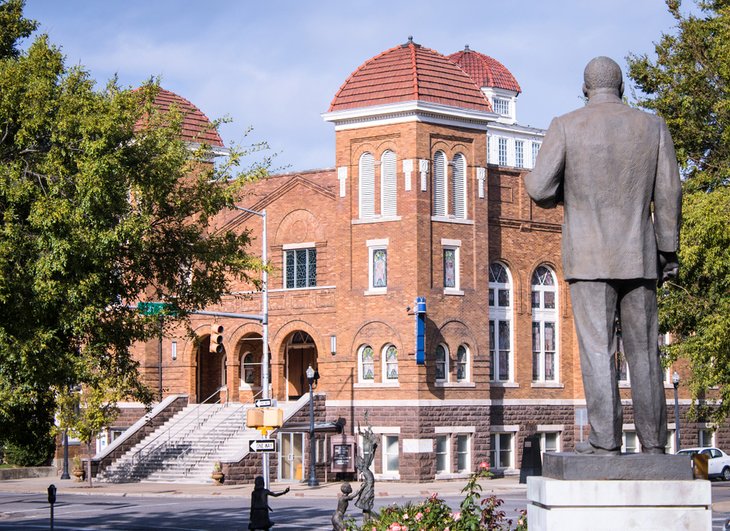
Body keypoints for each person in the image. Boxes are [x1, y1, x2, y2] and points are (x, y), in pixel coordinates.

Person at [524, 56, 682, 455]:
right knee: (645, 350)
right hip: (640, 256)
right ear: (622, 87)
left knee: (597, 348)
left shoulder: (566, 126)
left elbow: (540, 189)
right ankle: (653, 445)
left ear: (585, 88)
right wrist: (667, 250)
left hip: (589, 257)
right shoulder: (652, 126)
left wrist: (570, 191)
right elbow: (669, 192)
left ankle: (605, 442)